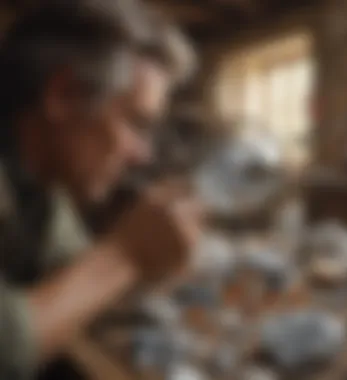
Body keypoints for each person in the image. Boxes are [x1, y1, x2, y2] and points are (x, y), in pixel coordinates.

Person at [0, 0, 198, 379]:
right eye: (136, 123)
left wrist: (151, 260)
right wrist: (126, 254)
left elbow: (69, 273)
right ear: (63, 96)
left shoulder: (44, 185)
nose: (144, 155)